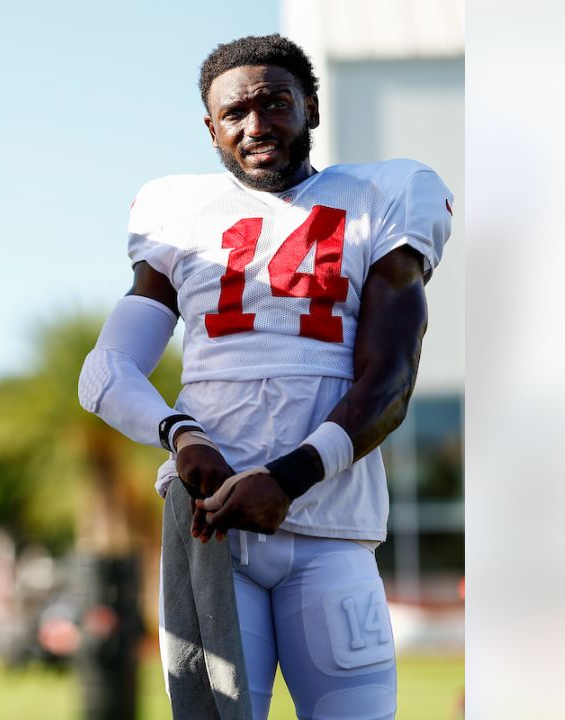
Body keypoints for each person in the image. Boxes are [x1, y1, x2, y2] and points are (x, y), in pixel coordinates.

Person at [79, 34, 451, 719]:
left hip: (329, 528)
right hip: (213, 535)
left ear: (310, 104)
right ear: (210, 128)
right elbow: (104, 371)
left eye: (275, 103)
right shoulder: (177, 212)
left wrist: (287, 480)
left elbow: (392, 378)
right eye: (235, 113)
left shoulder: (385, 194)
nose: (257, 126)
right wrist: (182, 435)